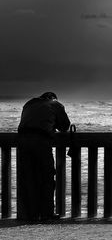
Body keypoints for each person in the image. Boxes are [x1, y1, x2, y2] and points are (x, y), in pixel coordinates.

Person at [17, 92, 70, 221]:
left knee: (28, 177)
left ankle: (28, 214)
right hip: (41, 142)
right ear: (53, 98)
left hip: (22, 141)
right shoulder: (56, 105)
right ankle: (46, 214)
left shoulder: (29, 103)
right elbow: (64, 126)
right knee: (46, 177)